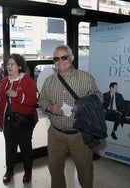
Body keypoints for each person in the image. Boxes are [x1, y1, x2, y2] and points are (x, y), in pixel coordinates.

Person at [39, 45, 103, 188]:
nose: (60, 61)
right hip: (55, 134)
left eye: (64, 57)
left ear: (72, 58)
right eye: (56, 58)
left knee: (85, 171)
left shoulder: (85, 78)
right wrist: (50, 107)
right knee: (55, 171)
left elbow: (99, 97)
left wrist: (82, 106)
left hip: (79, 134)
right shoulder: (49, 80)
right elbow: (42, 99)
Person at [0, 54, 38, 184]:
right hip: (9, 121)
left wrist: (17, 95)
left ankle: (28, 171)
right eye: (7, 64)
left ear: (19, 66)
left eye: (12, 64)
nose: (9, 66)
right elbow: (2, 103)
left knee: (26, 147)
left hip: (25, 121)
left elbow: (33, 101)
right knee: (10, 147)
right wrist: (1, 122)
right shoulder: (4, 81)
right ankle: (9, 171)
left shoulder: (27, 80)